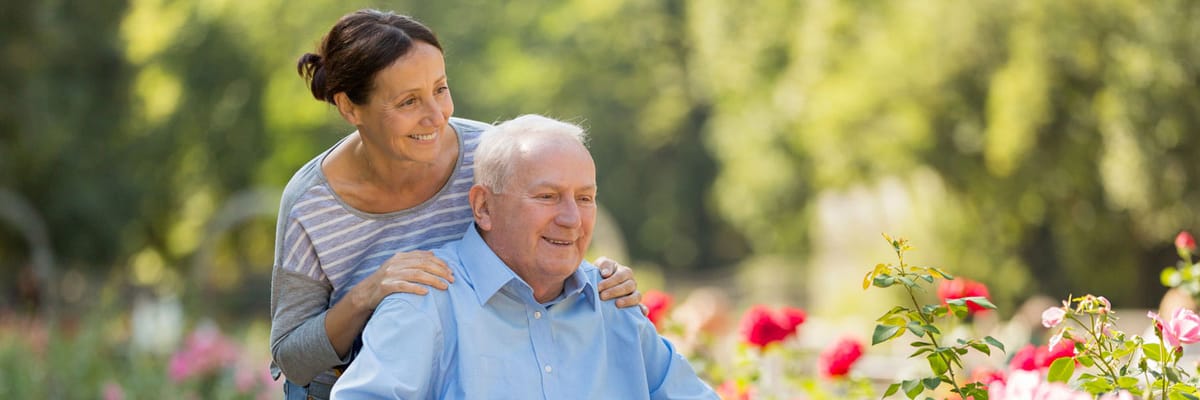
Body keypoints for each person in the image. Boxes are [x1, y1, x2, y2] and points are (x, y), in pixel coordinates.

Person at [270, 10, 643, 399]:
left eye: (440, 89)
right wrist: (368, 293)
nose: (436, 116)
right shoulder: (310, 204)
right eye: (408, 101)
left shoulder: (491, 157)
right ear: (349, 107)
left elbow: (551, 237)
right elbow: (291, 357)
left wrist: (599, 277)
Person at [331, 115, 717, 399]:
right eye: (547, 196)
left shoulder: (613, 302)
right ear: (483, 207)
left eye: (585, 198)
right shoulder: (426, 300)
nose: (571, 219)